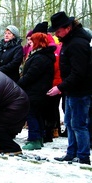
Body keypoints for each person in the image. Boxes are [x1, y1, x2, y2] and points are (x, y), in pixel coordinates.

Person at [47, 12, 92, 165]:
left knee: (79, 124)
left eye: (58, 31)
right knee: (69, 122)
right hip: (71, 90)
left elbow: (79, 73)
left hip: (80, 91)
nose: (56, 34)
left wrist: (60, 87)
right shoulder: (69, 41)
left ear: (67, 28)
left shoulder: (77, 44)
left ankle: (84, 156)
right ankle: (71, 152)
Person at [17, 32, 55, 150]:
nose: (30, 43)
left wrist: (19, 84)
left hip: (36, 91)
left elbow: (31, 75)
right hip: (38, 91)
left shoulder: (40, 57)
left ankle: (34, 139)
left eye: (32, 41)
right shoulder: (42, 55)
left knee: (32, 114)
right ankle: (39, 138)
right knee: (37, 115)